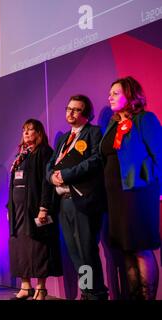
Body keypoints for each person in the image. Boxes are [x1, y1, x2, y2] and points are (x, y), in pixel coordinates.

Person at [100, 76, 161, 300]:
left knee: (140, 247)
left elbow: (159, 156)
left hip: (138, 195)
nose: (110, 97)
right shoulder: (112, 124)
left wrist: (150, 184)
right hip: (116, 197)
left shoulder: (145, 119)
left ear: (130, 95)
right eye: (110, 93)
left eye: (116, 93)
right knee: (126, 249)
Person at [46, 95, 108, 300]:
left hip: (83, 202)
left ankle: (95, 294)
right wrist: (51, 177)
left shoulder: (94, 133)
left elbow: (95, 160)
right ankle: (86, 291)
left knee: (87, 252)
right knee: (74, 253)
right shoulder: (64, 138)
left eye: (76, 110)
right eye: (68, 108)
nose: (70, 113)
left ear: (86, 114)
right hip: (64, 204)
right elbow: (52, 164)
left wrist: (65, 175)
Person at [7, 119, 62, 300]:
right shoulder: (21, 155)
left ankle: (40, 287)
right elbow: (13, 184)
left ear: (39, 133)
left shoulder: (45, 152)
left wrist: (44, 208)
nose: (26, 133)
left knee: (37, 248)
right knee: (20, 247)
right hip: (18, 211)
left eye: (31, 130)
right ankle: (25, 286)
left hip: (35, 209)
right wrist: (10, 207)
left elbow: (47, 184)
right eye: (24, 130)